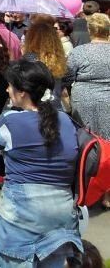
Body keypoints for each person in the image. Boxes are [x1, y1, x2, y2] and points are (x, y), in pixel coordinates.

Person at [0, 60, 82, 267]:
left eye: (10, 85)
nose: (7, 89)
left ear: (22, 92)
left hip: (22, 217)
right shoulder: (66, 120)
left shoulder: (10, 120)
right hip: (62, 215)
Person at [64, 13, 110, 208]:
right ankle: (107, 193)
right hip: (108, 96)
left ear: (90, 31)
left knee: (85, 141)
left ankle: (84, 187)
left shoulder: (79, 51)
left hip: (83, 97)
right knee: (108, 143)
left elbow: (67, 76)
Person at [22, 20, 67, 105]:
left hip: (34, 106)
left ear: (31, 38)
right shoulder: (58, 58)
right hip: (54, 105)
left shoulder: (30, 58)